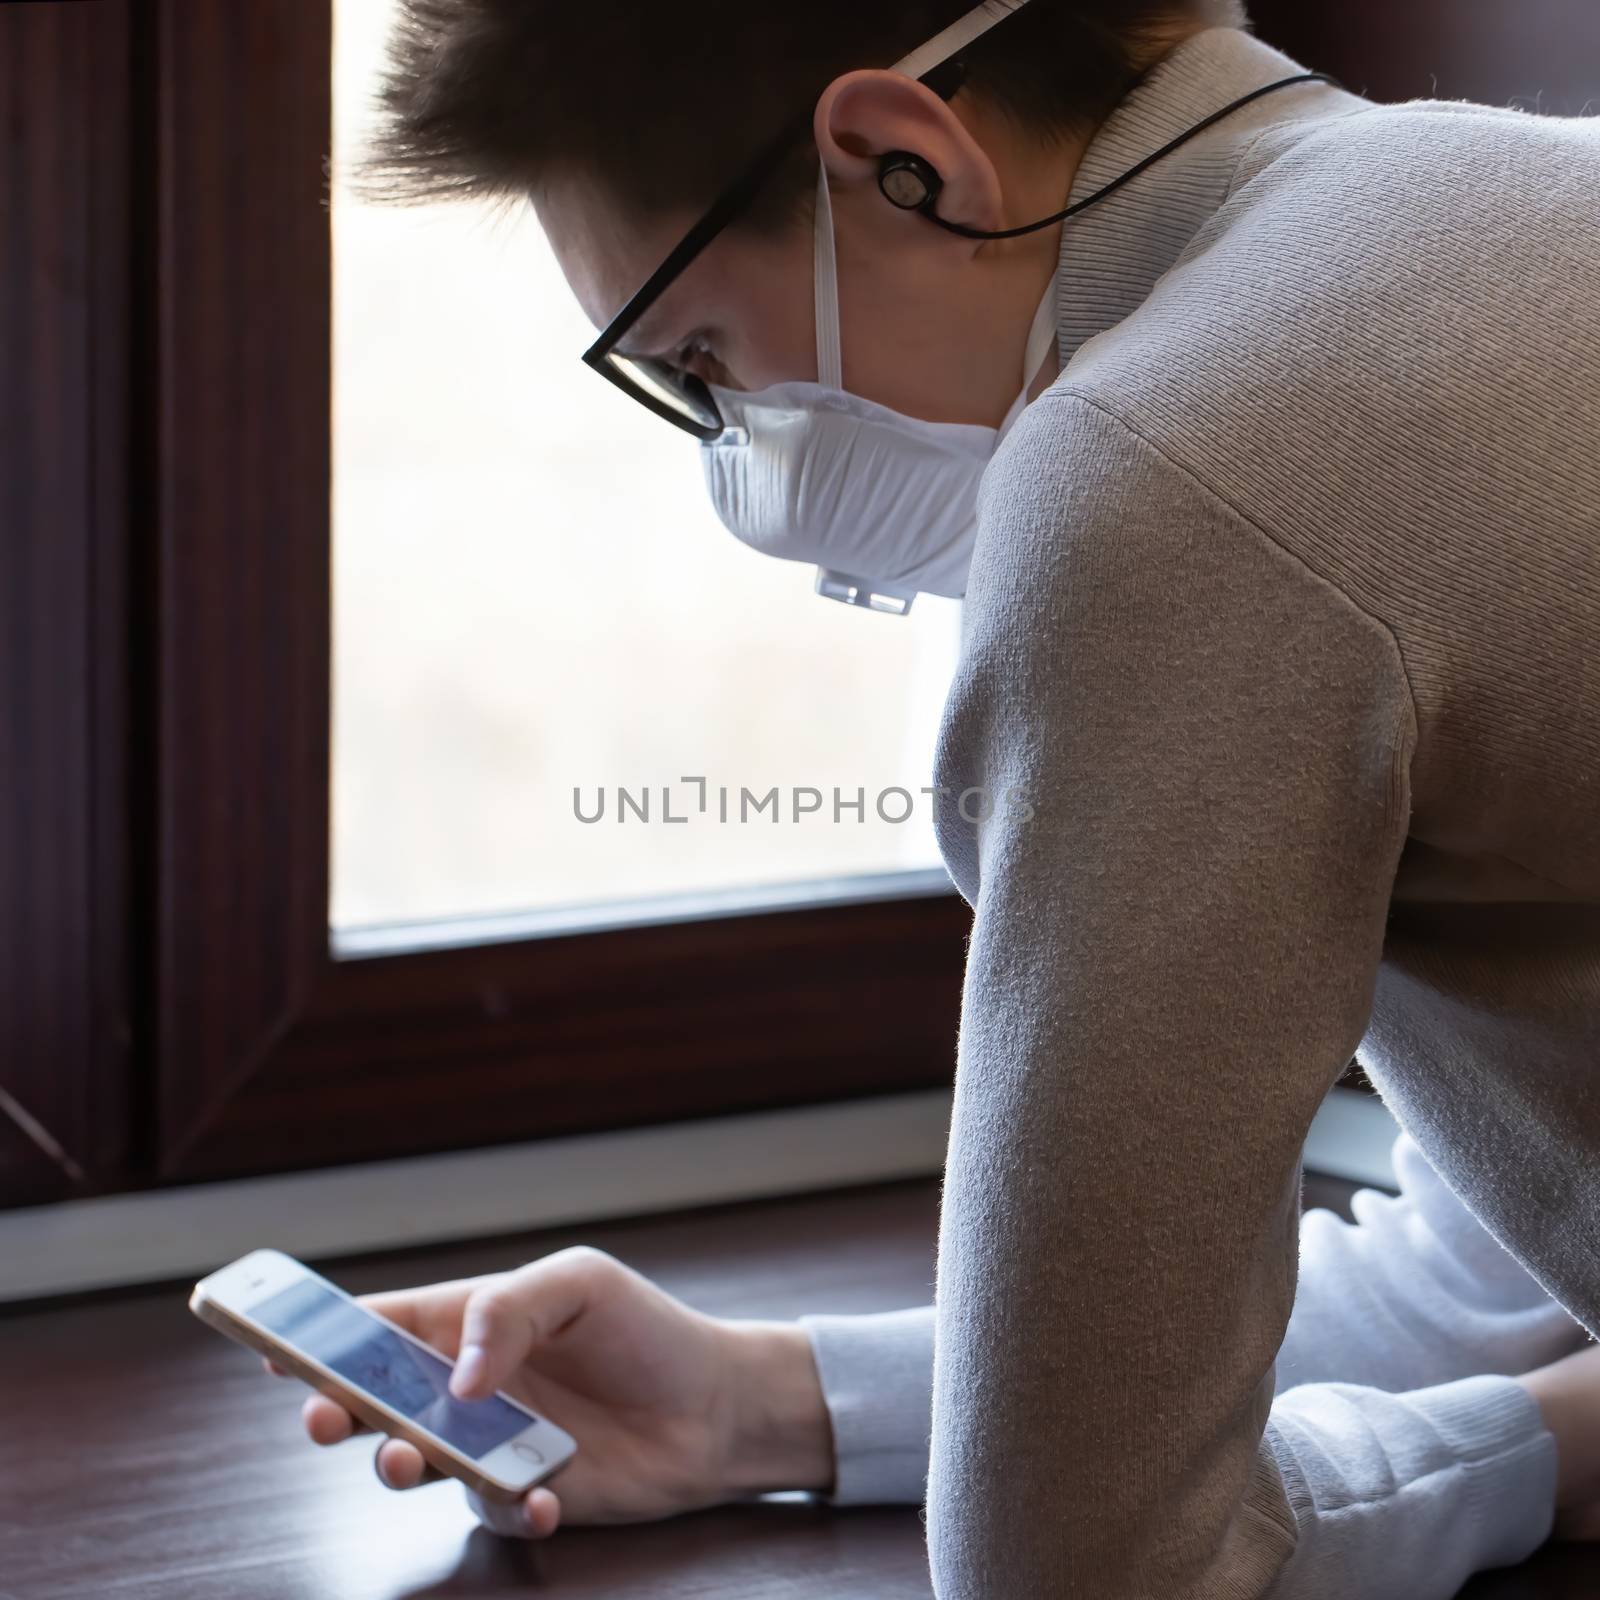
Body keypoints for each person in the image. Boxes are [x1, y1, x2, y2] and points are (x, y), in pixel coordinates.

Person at [283, 1, 1600, 1593]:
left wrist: (1525, 1458)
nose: (737, 448)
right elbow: (1489, 1264)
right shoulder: (1524, 202)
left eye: (702, 360)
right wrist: (762, 1406)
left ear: (904, 163)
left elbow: (1089, 1566)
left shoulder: (1167, 467)